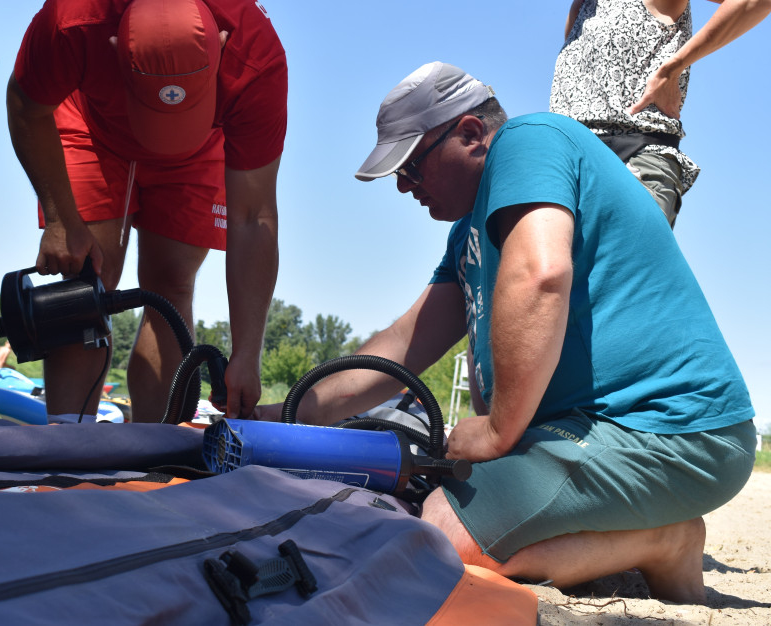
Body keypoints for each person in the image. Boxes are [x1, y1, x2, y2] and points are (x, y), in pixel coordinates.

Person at [254, 62, 756, 603]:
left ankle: (665, 538)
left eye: (412, 167)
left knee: (440, 539)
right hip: (585, 430)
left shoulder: (529, 140)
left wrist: (497, 431)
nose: (403, 186)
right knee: (425, 497)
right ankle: (633, 532)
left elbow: (541, 276)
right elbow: (403, 343)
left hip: (667, 430)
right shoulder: (467, 233)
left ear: (470, 133)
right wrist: (288, 413)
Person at [7, 0, 287, 423]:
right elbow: (25, 104)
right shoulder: (74, 19)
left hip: (203, 147)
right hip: (93, 124)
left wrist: (247, 353)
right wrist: (59, 219)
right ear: (112, 46)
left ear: (221, 47)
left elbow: (254, 217)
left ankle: (155, 454)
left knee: (171, 284)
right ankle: (66, 445)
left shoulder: (256, 61)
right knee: (88, 277)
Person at [548, 0, 771, 227]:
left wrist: (672, 68)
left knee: (623, 267)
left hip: (634, 157)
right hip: (573, 171)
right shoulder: (580, 7)